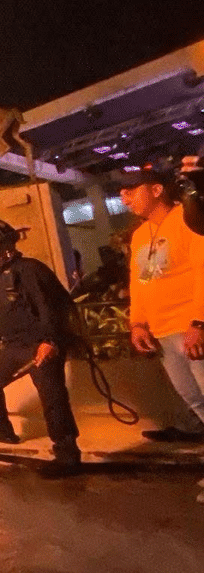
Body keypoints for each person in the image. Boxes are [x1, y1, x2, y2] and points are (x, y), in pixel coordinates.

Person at [0, 219, 82, 475]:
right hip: (14, 346)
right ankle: (2, 430)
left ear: (5, 246)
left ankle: (67, 453)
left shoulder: (30, 270)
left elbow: (50, 308)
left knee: (52, 396)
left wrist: (49, 341)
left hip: (39, 344)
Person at [120, 166, 204, 443]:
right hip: (163, 333)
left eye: (131, 191)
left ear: (156, 190)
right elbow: (140, 282)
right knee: (195, 402)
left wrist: (199, 321)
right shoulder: (140, 235)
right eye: (121, 193)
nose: (125, 198)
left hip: (192, 328)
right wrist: (138, 323)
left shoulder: (189, 218)